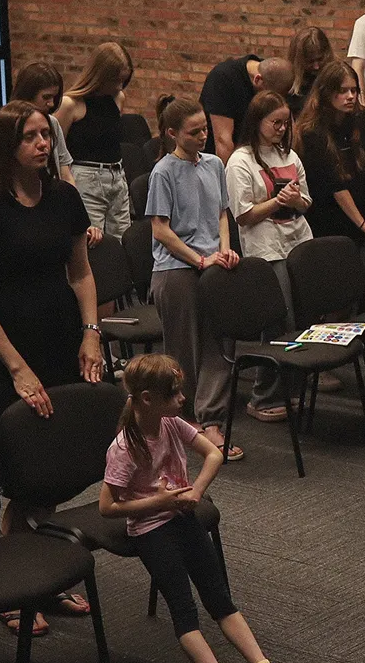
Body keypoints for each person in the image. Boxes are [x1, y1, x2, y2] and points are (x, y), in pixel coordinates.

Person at [0, 102, 104, 636]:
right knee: (21, 475)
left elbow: (81, 274)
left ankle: (42, 577)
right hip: (6, 352)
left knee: (54, 467)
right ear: (7, 146)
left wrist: (91, 332)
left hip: (60, 339)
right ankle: (13, 588)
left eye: (46, 134)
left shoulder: (64, 197)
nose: (43, 144)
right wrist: (17, 369)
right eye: (31, 137)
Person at [99, 353, 296, 663]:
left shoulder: (171, 423)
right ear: (148, 399)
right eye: (173, 394)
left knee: (219, 598)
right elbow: (107, 507)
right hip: (149, 529)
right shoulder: (125, 449)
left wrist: (195, 492)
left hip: (181, 516)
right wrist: (158, 502)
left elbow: (214, 454)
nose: (182, 399)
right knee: (184, 610)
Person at [144, 97, 242, 460]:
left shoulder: (214, 164)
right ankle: (185, 420)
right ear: (172, 134)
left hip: (211, 263)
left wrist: (225, 251)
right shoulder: (163, 172)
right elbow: (161, 230)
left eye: (205, 129)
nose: (203, 136)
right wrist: (200, 259)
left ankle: (212, 418)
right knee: (184, 347)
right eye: (194, 132)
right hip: (176, 267)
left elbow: (222, 214)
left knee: (219, 341)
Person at [223, 90, 313, 423]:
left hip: (298, 242)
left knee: (301, 319)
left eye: (285, 123)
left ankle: (291, 389)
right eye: (275, 122)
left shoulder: (288, 155)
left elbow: (306, 202)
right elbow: (243, 215)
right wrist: (278, 201)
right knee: (278, 322)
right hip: (267, 248)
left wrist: (295, 200)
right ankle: (263, 397)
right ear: (257, 122)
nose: (281, 128)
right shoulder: (240, 161)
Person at [298, 58, 365, 245]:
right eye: (343, 91)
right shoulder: (312, 130)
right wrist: (363, 224)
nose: (350, 96)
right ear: (327, 92)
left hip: (364, 204)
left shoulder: (361, 117)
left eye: (354, 90)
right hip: (331, 216)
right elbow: (334, 185)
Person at [59, 40, 136, 238]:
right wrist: (69, 185)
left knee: (122, 241)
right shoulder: (70, 104)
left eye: (124, 80)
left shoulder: (118, 98)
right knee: (92, 240)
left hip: (117, 177)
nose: (120, 86)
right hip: (86, 179)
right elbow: (57, 151)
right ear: (100, 76)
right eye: (116, 80)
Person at [201, 52, 296, 162]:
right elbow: (223, 141)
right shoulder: (223, 79)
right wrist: (232, 171)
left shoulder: (277, 77)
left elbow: (290, 131)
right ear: (258, 80)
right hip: (226, 160)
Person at [10, 60, 76, 187]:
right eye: (46, 97)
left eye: (54, 98)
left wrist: (72, 195)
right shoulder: (6, 124)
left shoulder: (53, 123)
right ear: (28, 94)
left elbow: (66, 174)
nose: (51, 103)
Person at [286, 26, 333, 109]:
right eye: (310, 62)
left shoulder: (336, 77)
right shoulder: (287, 82)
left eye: (320, 59)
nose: (316, 67)